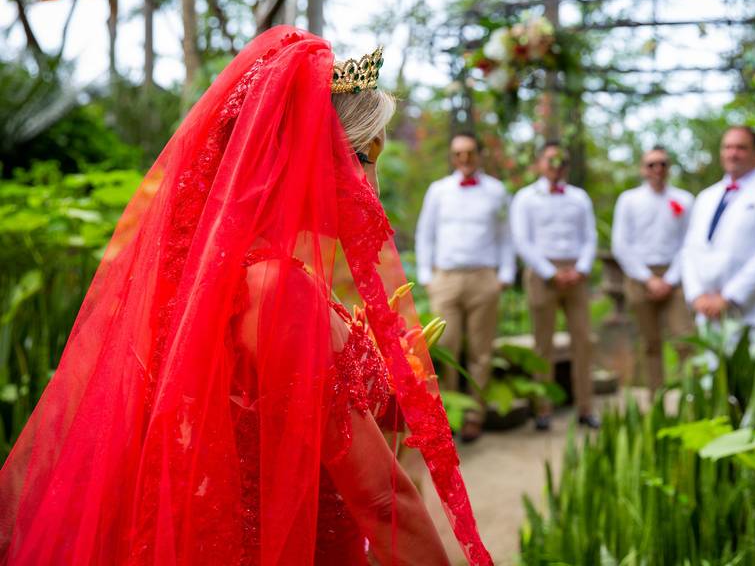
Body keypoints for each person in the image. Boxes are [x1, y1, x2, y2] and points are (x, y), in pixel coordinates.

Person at [0, 27, 492, 566]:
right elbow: (382, 498)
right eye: (365, 160)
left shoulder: (202, 277)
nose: (369, 191)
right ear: (315, 157)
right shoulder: (282, 292)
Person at [415, 133, 514, 442]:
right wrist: (426, 276)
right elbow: (425, 233)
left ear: (479, 154)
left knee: (481, 352)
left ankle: (474, 415)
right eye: (459, 154)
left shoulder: (497, 192)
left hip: (484, 278)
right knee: (446, 349)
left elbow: (506, 236)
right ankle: (446, 416)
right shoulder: (438, 191)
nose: (465, 159)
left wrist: (504, 275)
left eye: (470, 153)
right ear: (452, 157)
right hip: (445, 278)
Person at [681, 125, 755, 340]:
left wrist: (728, 298)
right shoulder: (706, 197)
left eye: (741, 148)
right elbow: (690, 249)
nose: (732, 153)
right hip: (709, 317)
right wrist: (696, 295)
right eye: (727, 147)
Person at [510, 142, 599, 430]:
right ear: (539, 163)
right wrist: (550, 272)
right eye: (550, 159)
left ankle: (586, 407)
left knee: (583, 341)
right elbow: (522, 240)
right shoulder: (525, 198)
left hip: (576, 274)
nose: (556, 165)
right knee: (542, 344)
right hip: (541, 273)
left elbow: (590, 236)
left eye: (561, 160)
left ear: (567, 165)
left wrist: (581, 269)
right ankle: (543, 409)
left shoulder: (579, 197)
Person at [611, 146, 694, 390]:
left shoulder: (684, 199)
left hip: (675, 277)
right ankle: (655, 401)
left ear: (669, 168)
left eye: (662, 164)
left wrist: (669, 279)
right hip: (640, 278)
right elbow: (620, 245)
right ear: (642, 169)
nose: (657, 169)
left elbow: (689, 243)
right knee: (650, 344)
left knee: (685, 339)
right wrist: (648, 279)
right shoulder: (629, 200)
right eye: (651, 165)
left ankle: (691, 397)